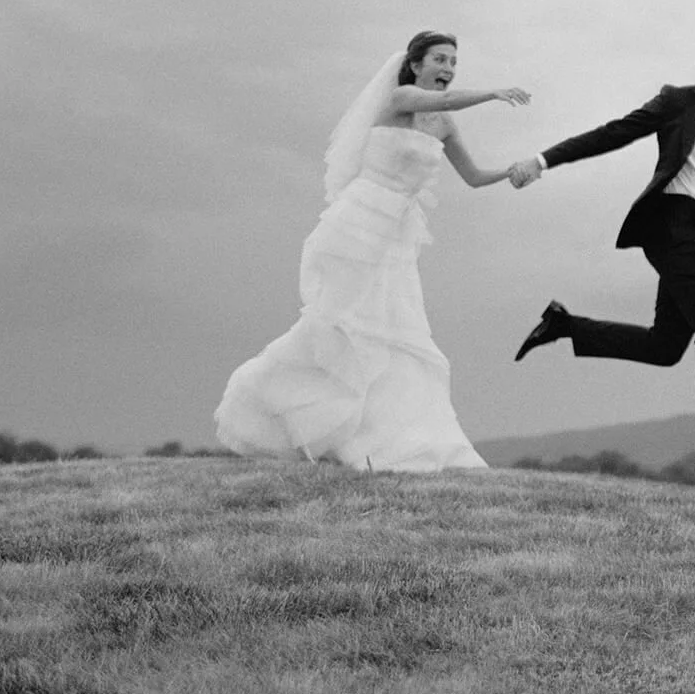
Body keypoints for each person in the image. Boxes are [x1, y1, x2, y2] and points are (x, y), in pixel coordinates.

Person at [214, 31, 529, 471]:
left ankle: (386, 440)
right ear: (416, 64)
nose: (448, 68)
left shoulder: (443, 122)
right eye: (440, 59)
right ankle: (278, 410)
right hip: (357, 226)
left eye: (454, 61)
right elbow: (444, 101)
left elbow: (473, 176)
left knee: (398, 336)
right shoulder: (401, 98)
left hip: (396, 241)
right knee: (340, 329)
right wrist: (492, 93)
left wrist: (511, 172)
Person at [508, 25, 695, 497]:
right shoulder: (676, 102)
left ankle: (566, 326)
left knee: (666, 348)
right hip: (670, 227)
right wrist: (542, 161)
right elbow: (612, 135)